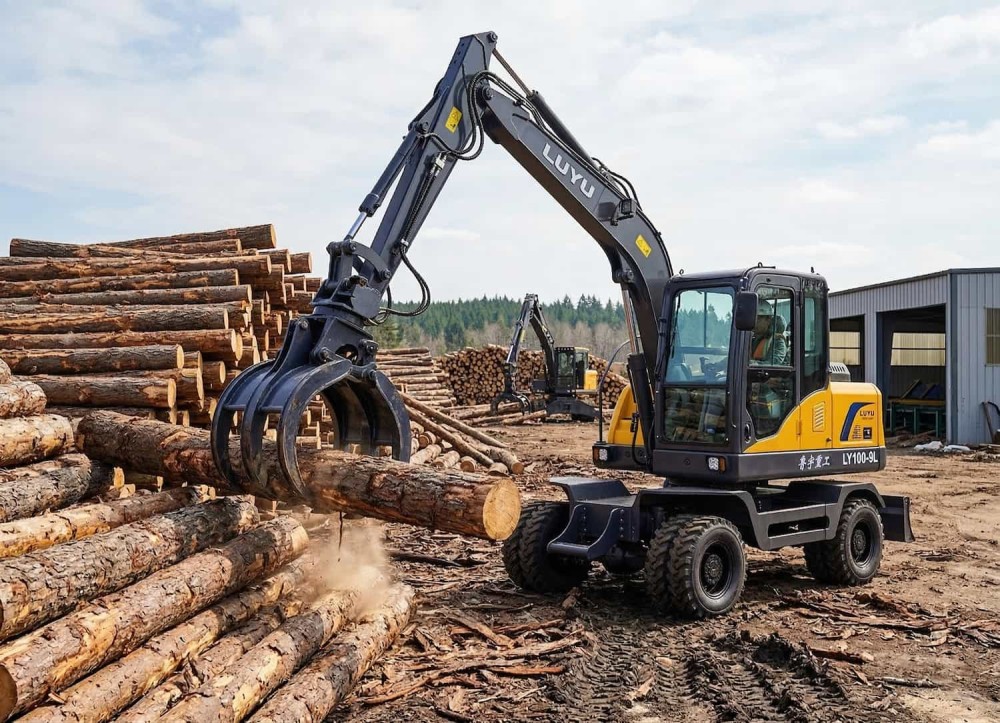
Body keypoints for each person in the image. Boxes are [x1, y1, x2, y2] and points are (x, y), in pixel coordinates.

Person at [750, 300, 787, 365]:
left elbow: (774, 364)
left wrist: (754, 364)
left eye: (758, 319)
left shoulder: (777, 341)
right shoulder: (754, 339)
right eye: (753, 319)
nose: (754, 322)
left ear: (768, 320)